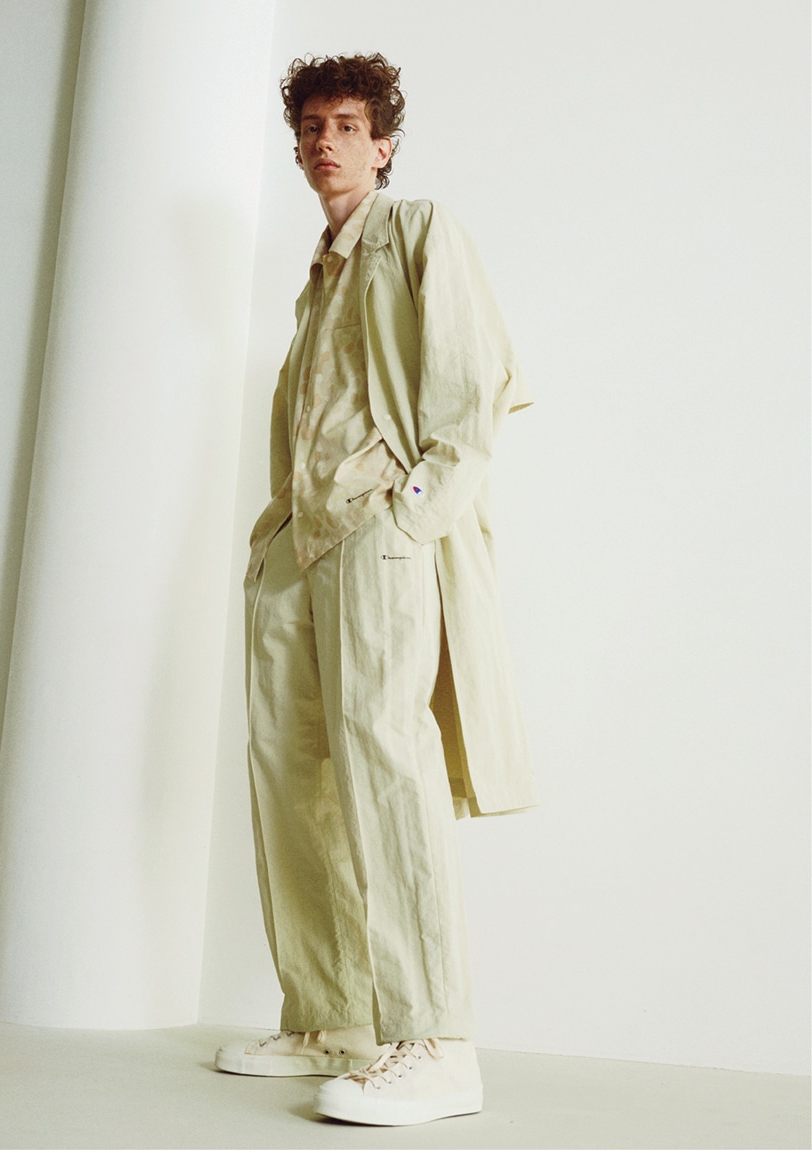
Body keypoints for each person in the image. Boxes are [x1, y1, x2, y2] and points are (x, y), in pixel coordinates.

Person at [215, 52, 536, 1127]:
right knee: (287, 768)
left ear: (383, 143)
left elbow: (476, 391)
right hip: (297, 549)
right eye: (310, 127)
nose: (324, 142)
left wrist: (409, 517)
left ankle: (434, 1040)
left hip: (377, 536)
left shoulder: (417, 231)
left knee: (385, 765)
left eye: (346, 125)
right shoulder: (317, 275)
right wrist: (273, 540)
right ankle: (330, 1017)